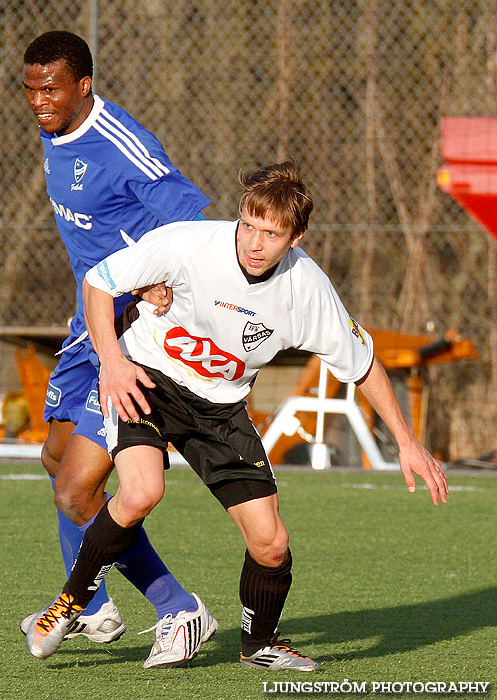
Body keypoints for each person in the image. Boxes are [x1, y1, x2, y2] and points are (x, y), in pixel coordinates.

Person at [25, 160, 449, 670]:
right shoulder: (190, 244)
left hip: (221, 409)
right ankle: (68, 606)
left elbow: (364, 365)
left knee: (272, 543)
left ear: (296, 238)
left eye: (270, 234)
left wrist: (405, 440)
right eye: (248, 225)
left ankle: (260, 645)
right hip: (147, 379)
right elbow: (99, 283)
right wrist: (113, 362)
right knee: (140, 491)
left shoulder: (306, 289)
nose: (253, 243)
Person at [21, 30, 218, 668]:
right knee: (55, 458)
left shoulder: (121, 144)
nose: (37, 102)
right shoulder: (55, 132)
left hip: (131, 332)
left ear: (84, 85)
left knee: (78, 492)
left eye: (49, 89)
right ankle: (96, 607)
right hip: (90, 323)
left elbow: (190, 215)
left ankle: (177, 608)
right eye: (29, 89)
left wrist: (161, 282)